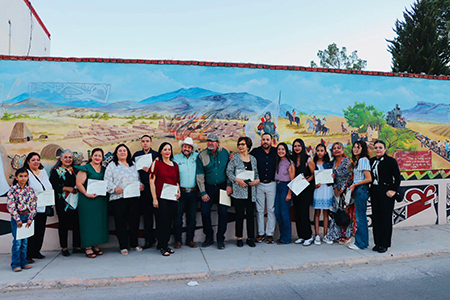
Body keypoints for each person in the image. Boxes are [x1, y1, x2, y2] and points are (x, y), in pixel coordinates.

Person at [104, 144, 144, 255]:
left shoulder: (133, 164)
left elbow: (139, 179)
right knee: (120, 223)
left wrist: (141, 185)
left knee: (134, 222)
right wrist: (114, 188)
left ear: (128, 153)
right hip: (118, 199)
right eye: (120, 151)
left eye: (124, 150)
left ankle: (134, 244)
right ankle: (123, 246)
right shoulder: (112, 166)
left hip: (133, 198)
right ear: (116, 153)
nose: (122, 152)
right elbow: (106, 181)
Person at [196, 133, 232, 250]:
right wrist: (203, 192)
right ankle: (209, 237)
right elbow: (200, 175)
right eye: (209, 141)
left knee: (223, 212)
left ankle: (220, 238)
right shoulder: (202, 155)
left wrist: (228, 185)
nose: (210, 143)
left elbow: (229, 170)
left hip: (223, 186)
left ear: (218, 143)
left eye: (213, 141)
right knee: (205, 212)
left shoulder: (225, 153)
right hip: (208, 187)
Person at [75, 148, 109, 258]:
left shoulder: (104, 169)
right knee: (88, 223)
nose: (97, 157)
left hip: (100, 200)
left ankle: (95, 245)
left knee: (98, 222)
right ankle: (88, 247)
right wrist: (86, 193)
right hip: (87, 200)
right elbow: (79, 183)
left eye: (100, 156)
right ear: (92, 156)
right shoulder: (85, 168)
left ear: (102, 157)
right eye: (95, 155)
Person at [226, 136, 260, 247]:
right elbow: (229, 172)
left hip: (251, 191)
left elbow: (256, 174)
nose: (240, 146)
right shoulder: (235, 158)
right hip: (239, 191)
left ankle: (250, 238)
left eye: (243, 144)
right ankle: (239, 237)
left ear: (248, 146)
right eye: (239, 144)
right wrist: (237, 180)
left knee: (250, 215)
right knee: (239, 215)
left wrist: (257, 180)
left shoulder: (253, 159)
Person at [150, 142, 181, 256]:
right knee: (162, 222)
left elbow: (177, 181)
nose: (167, 151)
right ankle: (162, 246)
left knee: (169, 222)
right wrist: (154, 198)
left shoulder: (175, 165)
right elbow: (151, 181)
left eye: (169, 149)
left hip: (172, 198)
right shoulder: (157, 163)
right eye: (165, 149)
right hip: (160, 198)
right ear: (161, 151)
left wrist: (178, 192)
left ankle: (165, 244)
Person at [370, 140, 401, 253]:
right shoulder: (372, 161)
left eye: (380, 147)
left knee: (386, 218)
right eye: (376, 147)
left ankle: (385, 244)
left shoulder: (390, 161)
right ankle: (377, 242)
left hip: (386, 192)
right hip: (375, 191)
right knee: (376, 217)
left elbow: (397, 177)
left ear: (385, 149)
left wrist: (393, 190)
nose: (378, 149)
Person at [49, 150, 82, 257]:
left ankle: (77, 246)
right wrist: (66, 188)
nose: (68, 159)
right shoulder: (55, 171)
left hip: (76, 201)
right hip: (62, 202)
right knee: (64, 224)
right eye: (66, 157)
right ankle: (64, 247)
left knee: (77, 224)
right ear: (61, 159)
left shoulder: (76, 170)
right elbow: (53, 186)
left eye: (70, 157)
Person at [7, 167, 37, 272]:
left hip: (27, 217)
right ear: (16, 177)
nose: (23, 178)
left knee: (25, 242)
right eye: (21, 176)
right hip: (18, 218)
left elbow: (33, 204)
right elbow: (11, 206)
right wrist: (17, 218)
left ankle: (24, 262)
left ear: (28, 177)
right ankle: (15, 264)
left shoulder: (30, 190)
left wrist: (30, 218)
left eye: (25, 176)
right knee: (17, 242)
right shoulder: (13, 190)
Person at [132, 135, 159, 249]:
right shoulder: (136, 155)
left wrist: (151, 171)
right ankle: (149, 240)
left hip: (156, 189)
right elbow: (132, 173)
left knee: (158, 216)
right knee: (147, 216)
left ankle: (160, 240)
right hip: (143, 190)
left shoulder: (156, 155)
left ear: (151, 143)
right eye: (143, 141)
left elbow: (161, 172)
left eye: (147, 141)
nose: (145, 143)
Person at [25, 152, 52, 263]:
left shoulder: (43, 172)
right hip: (31, 207)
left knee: (40, 230)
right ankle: (28, 254)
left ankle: (36, 251)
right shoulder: (26, 173)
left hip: (43, 205)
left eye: (38, 159)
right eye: (33, 160)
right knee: (31, 231)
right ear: (28, 162)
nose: (36, 162)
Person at [250, 133, 277, 244]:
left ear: (271, 141)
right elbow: (245, 157)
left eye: (267, 139)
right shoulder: (255, 152)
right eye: (263, 139)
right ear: (261, 141)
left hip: (272, 184)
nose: (265, 141)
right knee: (259, 210)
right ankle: (260, 234)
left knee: (271, 210)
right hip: (259, 184)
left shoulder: (276, 151)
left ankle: (270, 234)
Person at [172, 137, 199, 249]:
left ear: (192, 149)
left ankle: (190, 240)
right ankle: (178, 240)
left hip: (193, 192)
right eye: (185, 146)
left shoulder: (197, 157)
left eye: (189, 147)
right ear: (182, 147)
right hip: (180, 192)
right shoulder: (175, 158)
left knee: (192, 217)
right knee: (178, 217)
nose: (186, 148)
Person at [325, 142, 353, 245]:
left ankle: (347, 235)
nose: (336, 150)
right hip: (335, 190)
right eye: (334, 148)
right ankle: (337, 235)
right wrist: (335, 185)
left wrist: (343, 188)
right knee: (336, 212)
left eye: (338, 148)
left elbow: (351, 176)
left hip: (346, 191)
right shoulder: (331, 163)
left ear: (343, 150)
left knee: (347, 213)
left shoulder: (347, 162)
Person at [348, 141, 372, 250]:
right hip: (359, 189)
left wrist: (355, 185)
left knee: (360, 217)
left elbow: (368, 178)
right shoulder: (359, 161)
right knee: (359, 216)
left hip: (361, 189)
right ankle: (362, 241)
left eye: (359, 147)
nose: (355, 149)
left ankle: (361, 243)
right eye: (354, 147)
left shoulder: (363, 160)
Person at [290, 139, 315, 246]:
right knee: (297, 211)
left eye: (299, 146)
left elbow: (314, 173)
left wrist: (307, 181)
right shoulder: (292, 159)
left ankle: (308, 236)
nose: (297, 148)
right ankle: (301, 235)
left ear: (303, 147)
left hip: (306, 189)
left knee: (304, 212)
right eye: (295, 146)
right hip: (296, 188)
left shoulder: (308, 159)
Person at [312, 144, 333, 246]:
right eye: (318, 150)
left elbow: (332, 176)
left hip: (326, 189)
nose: (319, 152)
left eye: (321, 150)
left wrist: (332, 175)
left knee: (325, 213)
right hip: (318, 189)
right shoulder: (313, 163)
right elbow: (311, 176)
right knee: (317, 213)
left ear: (325, 152)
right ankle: (316, 235)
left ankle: (325, 234)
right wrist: (314, 185)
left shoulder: (328, 164)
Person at [274, 143, 295, 245]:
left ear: (286, 151)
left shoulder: (289, 163)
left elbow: (292, 180)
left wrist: (289, 193)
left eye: (283, 149)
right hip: (277, 187)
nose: (280, 151)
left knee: (284, 213)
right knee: (277, 212)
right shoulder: (278, 161)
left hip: (286, 187)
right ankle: (282, 236)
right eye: (279, 149)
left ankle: (286, 238)